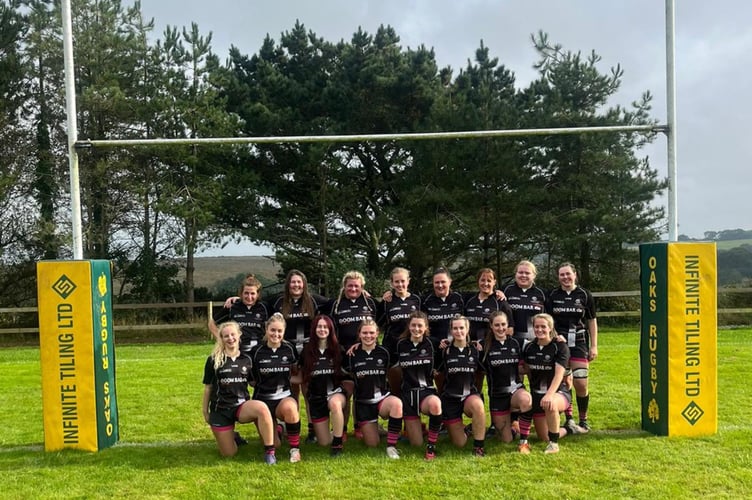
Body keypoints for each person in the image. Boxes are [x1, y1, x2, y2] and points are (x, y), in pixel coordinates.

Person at [202, 321, 277, 464]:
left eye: (233, 334)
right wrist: (205, 412)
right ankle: (233, 436)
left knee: (261, 408)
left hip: (241, 407)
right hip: (221, 410)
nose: (230, 338)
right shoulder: (214, 360)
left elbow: (254, 382)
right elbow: (208, 388)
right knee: (229, 454)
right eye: (226, 336)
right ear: (221, 339)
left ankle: (270, 452)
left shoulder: (247, 359)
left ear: (239, 335)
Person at [546, 262, 598, 432]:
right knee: (564, 381)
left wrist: (594, 346)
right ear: (558, 277)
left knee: (581, 382)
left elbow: (592, 320)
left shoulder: (584, 294)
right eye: (562, 275)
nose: (565, 277)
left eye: (568, 274)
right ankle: (569, 418)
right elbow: (547, 320)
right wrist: (554, 336)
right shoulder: (552, 295)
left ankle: (584, 420)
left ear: (575, 274)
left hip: (579, 343)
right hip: (560, 343)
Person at [344, 318, 403, 459]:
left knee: (396, 404)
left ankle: (391, 446)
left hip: (382, 398)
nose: (368, 336)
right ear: (359, 334)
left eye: (371, 332)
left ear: (377, 333)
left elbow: (395, 370)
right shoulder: (352, 355)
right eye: (364, 333)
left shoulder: (385, 353)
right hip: (364, 403)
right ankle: (377, 429)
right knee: (372, 444)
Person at [249, 313, 303, 463]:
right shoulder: (256, 351)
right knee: (276, 444)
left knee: (292, 408)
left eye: (279, 331)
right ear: (266, 329)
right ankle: (277, 430)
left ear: (284, 332)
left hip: (282, 397)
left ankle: (295, 450)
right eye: (273, 330)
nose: (276, 334)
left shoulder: (289, 349)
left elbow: (296, 372)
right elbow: (251, 380)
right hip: (262, 401)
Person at [521, 313, 577, 453]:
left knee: (550, 404)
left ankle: (554, 445)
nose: (540, 330)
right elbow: (527, 370)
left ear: (550, 328)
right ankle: (569, 429)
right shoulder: (529, 348)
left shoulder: (560, 346)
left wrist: (549, 394)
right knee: (543, 436)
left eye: (543, 327)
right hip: (537, 395)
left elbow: (559, 374)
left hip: (558, 392)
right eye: (536, 326)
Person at [479, 310, 534, 453]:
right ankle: (513, 424)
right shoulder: (483, 345)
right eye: (496, 325)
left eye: (503, 324)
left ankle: (524, 441)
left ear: (508, 324)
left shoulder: (518, 342)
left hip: (515, 390)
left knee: (526, 400)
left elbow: (542, 342)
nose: (500, 328)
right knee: (506, 439)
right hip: (497, 396)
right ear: (491, 326)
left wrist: (557, 339)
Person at [394, 311, 443, 461]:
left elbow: (446, 358)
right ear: (409, 326)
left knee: (435, 404)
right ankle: (418, 428)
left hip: (426, 392)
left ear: (426, 327)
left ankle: (431, 447)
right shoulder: (400, 344)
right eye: (413, 325)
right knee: (416, 443)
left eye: (420, 326)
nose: (416, 328)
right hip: (408, 394)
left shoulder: (433, 343)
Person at [298, 315, 347, 456]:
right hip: (317, 398)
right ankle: (333, 433)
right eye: (319, 326)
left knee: (335, 404)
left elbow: (349, 374)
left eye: (325, 327)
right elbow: (302, 376)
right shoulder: (307, 351)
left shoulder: (338, 349)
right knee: (324, 442)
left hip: (335, 392)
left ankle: (337, 443)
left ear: (330, 329)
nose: (322, 329)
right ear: (314, 329)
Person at [439, 315, 487, 457]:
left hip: (469, 395)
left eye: (461, 328)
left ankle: (479, 447)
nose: (458, 331)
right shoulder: (444, 351)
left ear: (467, 330)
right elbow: (437, 373)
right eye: (455, 328)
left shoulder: (475, 350)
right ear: (451, 330)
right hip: (450, 398)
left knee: (478, 405)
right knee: (459, 443)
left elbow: (482, 372)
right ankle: (467, 430)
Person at [378, 267, 422, 397]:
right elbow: (377, 323)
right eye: (396, 282)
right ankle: (395, 413)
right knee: (395, 386)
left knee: (411, 384)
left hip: (412, 347)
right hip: (392, 347)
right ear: (392, 283)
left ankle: (411, 412)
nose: (400, 284)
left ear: (408, 281)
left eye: (403, 281)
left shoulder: (417, 300)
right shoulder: (387, 301)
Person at [210, 274, 269, 353]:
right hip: (237, 353)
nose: (249, 297)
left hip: (258, 353)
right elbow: (211, 323)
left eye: (252, 293)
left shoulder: (265, 307)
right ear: (241, 293)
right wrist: (221, 340)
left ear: (258, 294)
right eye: (246, 293)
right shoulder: (233, 306)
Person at [503, 260, 547, 349]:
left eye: (527, 273)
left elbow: (548, 318)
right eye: (520, 272)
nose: (523, 275)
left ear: (534, 275)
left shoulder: (541, 293)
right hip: (511, 339)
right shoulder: (506, 290)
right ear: (516, 274)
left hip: (535, 339)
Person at [329, 270, 377, 351]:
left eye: (356, 286)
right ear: (344, 286)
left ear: (361, 287)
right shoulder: (335, 304)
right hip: (344, 351)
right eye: (350, 286)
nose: (353, 289)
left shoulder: (370, 302)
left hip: (369, 349)